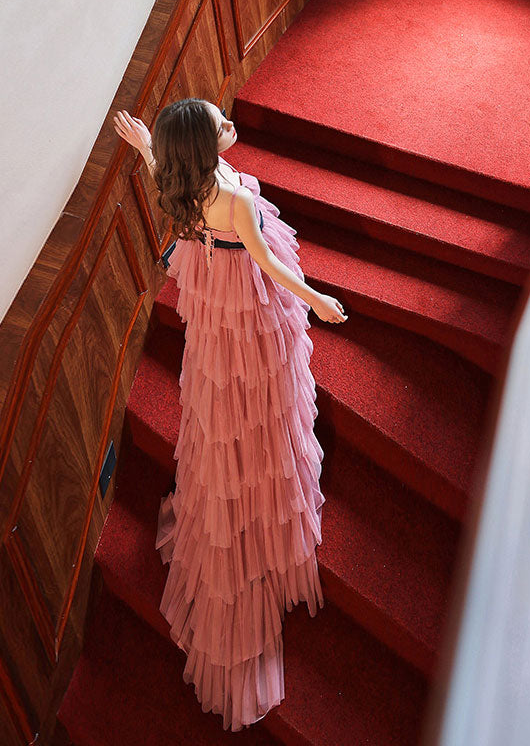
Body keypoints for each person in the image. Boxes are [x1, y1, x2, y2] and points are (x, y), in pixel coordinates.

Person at [112, 97, 346, 730]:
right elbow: (270, 264)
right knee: (261, 402)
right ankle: (266, 504)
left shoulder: (182, 184)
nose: (230, 126)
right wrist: (317, 297)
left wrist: (143, 146)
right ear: (209, 148)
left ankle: (247, 481)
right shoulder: (237, 202)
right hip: (246, 303)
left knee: (223, 406)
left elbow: (165, 163)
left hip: (216, 303)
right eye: (223, 127)